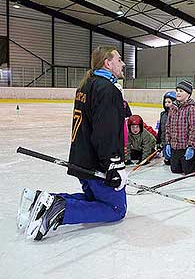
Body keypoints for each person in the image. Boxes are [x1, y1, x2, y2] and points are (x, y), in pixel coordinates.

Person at [22, 46, 128, 241]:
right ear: (107, 62)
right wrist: (114, 164)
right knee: (116, 209)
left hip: (82, 159)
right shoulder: (106, 89)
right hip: (99, 163)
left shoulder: (86, 85)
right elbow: (106, 132)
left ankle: (40, 199)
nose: (123, 63)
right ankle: (60, 209)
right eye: (119, 59)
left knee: (94, 200)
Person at [165, 80, 195, 174]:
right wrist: (168, 143)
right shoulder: (172, 108)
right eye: (177, 90)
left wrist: (191, 147)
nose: (178, 93)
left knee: (188, 171)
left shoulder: (192, 109)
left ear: (188, 94)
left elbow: (194, 130)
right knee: (175, 170)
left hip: (185, 147)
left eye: (181, 91)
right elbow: (168, 126)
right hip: (174, 146)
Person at [156, 91, 176, 164]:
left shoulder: (177, 115)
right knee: (167, 161)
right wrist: (158, 142)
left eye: (169, 102)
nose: (167, 104)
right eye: (165, 102)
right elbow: (160, 129)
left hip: (174, 144)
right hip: (165, 142)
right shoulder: (163, 114)